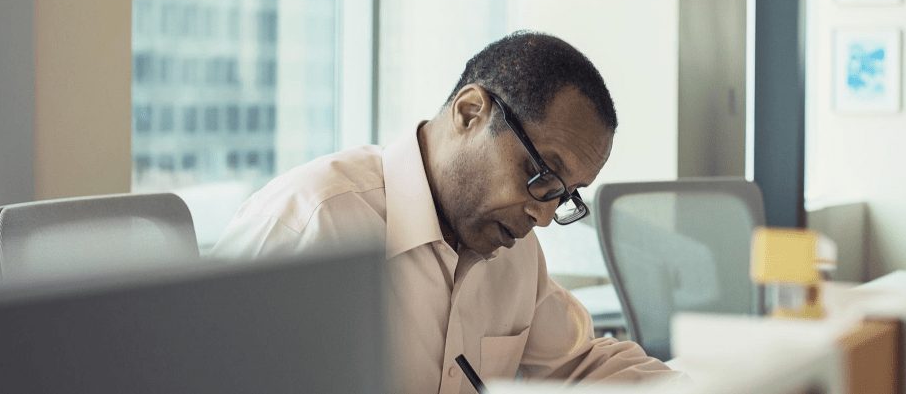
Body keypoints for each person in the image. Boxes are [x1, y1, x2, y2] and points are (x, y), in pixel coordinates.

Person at [210, 31, 681, 393]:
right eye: (541, 174)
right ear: (470, 112)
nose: (542, 217)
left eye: (565, 195)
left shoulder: (514, 252)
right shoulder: (307, 225)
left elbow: (580, 364)